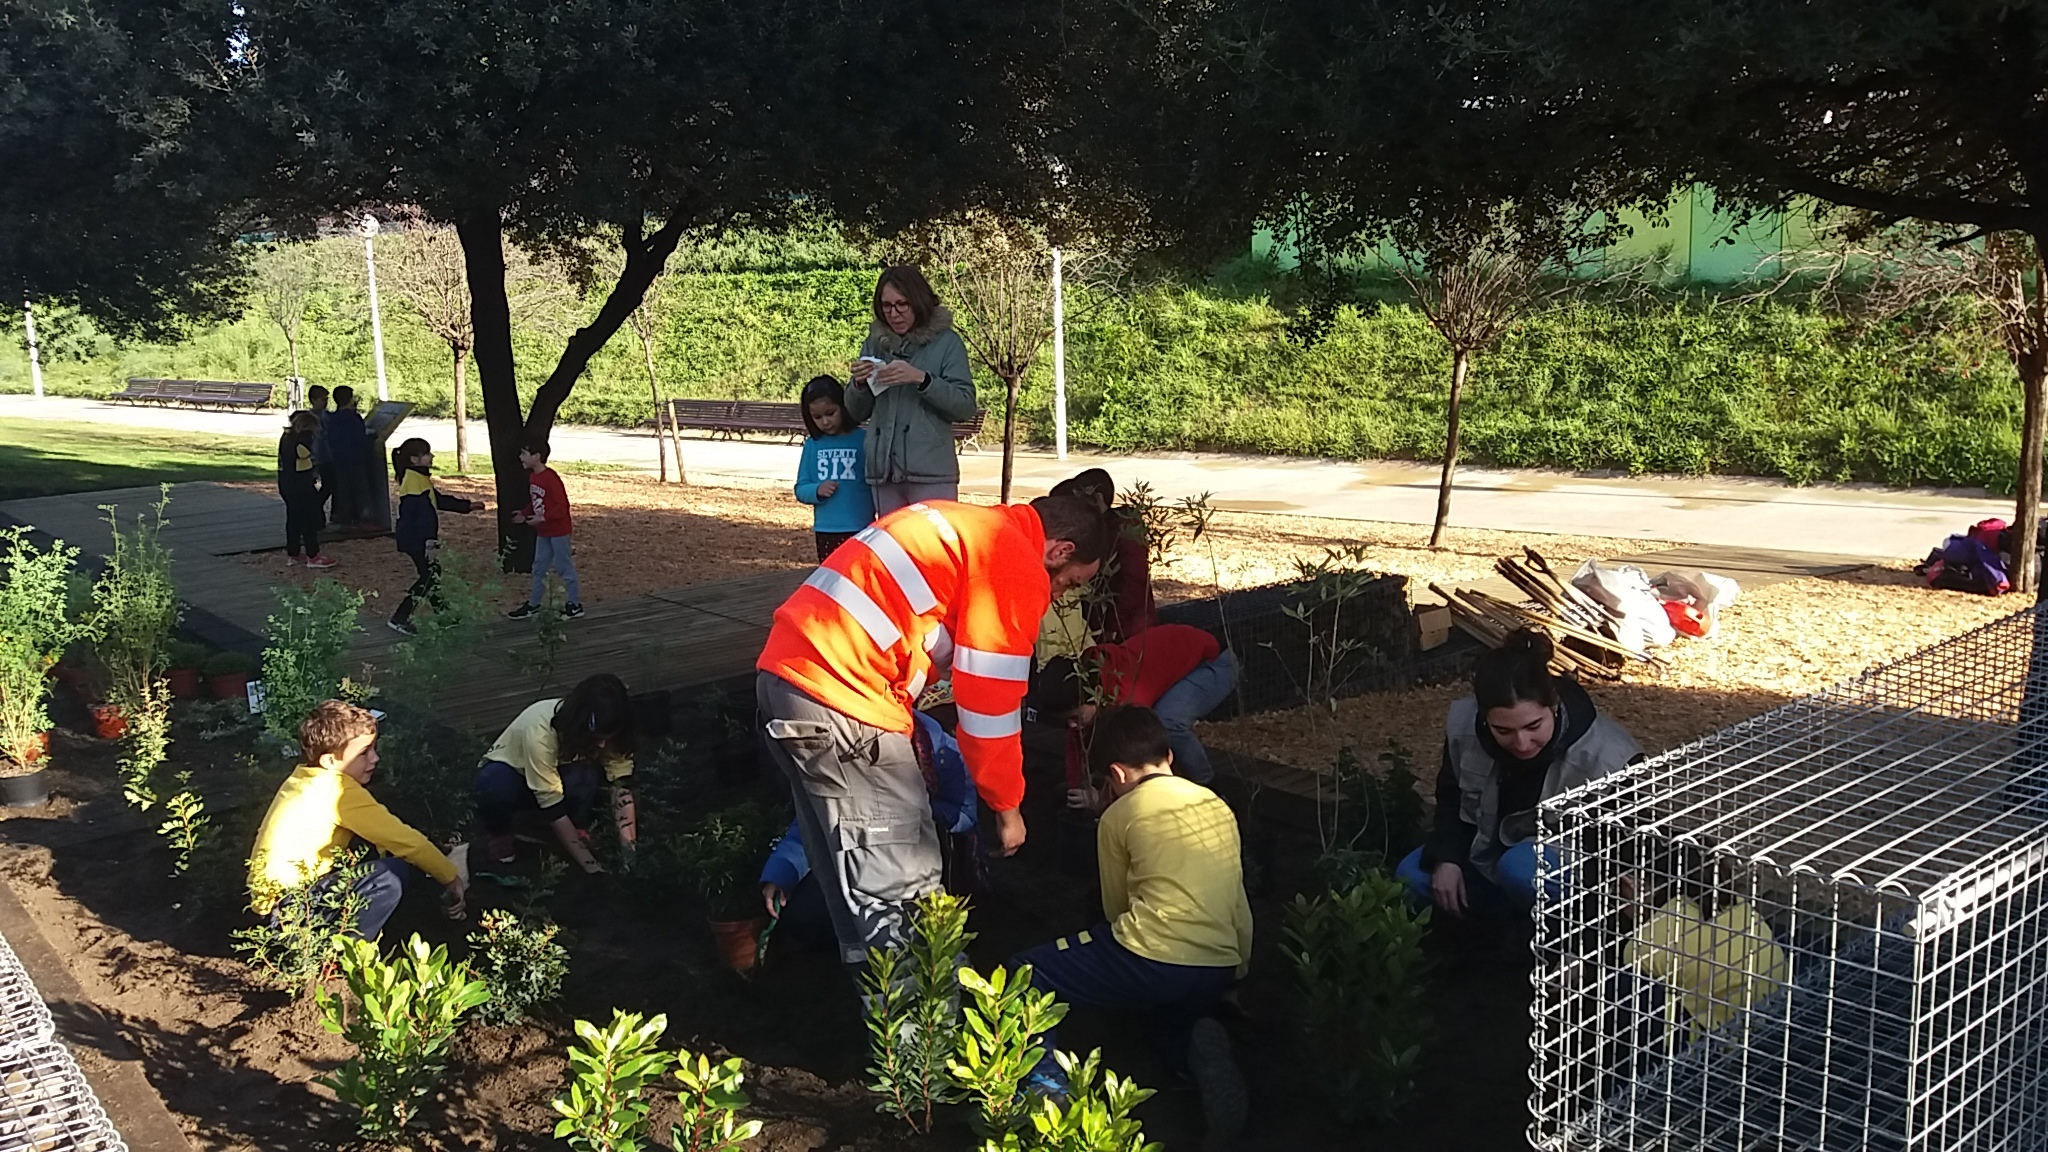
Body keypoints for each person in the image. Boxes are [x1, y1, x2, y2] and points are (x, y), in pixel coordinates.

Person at [755, 494, 1110, 966]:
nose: (1062, 594)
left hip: (788, 680)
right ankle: (928, 1031)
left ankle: (881, 1009)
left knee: (852, 878)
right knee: (905, 892)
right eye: (1071, 582)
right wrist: (1007, 808)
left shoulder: (963, 524)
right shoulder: (1011, 560)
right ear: (1060, 551)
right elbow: (990, 704)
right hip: (846, 697)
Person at [1009, 706, 1250, 1143]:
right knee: (1164, 1025)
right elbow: (1237, 900)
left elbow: (1116, 907)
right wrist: (1237, 972)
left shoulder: (1120, 816)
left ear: (1116, 774)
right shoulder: (1217, 805)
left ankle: (1047, 1092)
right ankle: (1189, 1054)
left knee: (1027, 974)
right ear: (1169, 757)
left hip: (1150, 959)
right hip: (1216, 964)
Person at [1397, 629, 1643, 915]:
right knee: (1411, 875)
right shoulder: (1464, 727)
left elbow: (1621, 845)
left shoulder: (1610, 754)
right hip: (1487, 849)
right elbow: (1450, 799)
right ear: (1483, 717)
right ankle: (1472, 938)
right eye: (1503, 731)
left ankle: (1550, 943)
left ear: (1553, 706)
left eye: (1533, 726)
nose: (1521, 743)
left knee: (1520, 868)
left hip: (1569, 868)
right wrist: (1446, 858)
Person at [246, 700, 466, 940]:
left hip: (270, 909)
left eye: (373, 749)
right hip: (291, 915)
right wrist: (451, 878)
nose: (375, 759)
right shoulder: (337, 791)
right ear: (330, 761)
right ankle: (342, 953)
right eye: (363, 753)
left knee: (378, 854)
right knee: (388, 877)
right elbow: (406, 841)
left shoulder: (303, 778)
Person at [758, 710, 979, 947]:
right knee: (804, 912)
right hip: (865, 843)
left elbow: (966, 815)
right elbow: (818, 821)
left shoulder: (946, 755)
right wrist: (782, 872)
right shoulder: (849, 757)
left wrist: (915, 813)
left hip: (923, 847)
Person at [1028, 622, 1239, 788]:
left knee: (1167, 721)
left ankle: (1206, 784)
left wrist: (1103, 799)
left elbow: (1139, 753)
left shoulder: (1127, 694)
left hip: (1214, 662)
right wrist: (1078, 786)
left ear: (1095, 698)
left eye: (1075, 718)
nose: (1072, 726)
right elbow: (1077, 741)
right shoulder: (1088, 686)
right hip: (1178, 663)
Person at [844, 265, 978, 515]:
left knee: (934, 550)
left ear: (918, 302)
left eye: (901, 304)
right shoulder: (874, 344)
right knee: (893, 550)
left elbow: (965, 405)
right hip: (883, 473)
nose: (893, 314)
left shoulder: (947, 343)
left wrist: (922, 379)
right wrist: (859, 385)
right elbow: (855, 412)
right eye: (886, 306)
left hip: (931, 473)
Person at [473, 674, 638, 874]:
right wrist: (591, 867)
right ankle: (500, 833)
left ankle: (576, 826)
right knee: (491, 786)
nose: (603, 744)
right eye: (598, 738)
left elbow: (621, 787)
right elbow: (553, 806)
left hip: (558, 775)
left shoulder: (611, 724)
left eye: (607, 738)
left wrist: (630, 855)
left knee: (585, 775)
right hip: (516, 776)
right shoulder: (540, 730)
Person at [387, 436, 485, 635]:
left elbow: (437, 499)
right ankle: (400, 617)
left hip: (414, 538)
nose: (431, 457)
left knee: (430, 575)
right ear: (414, 459)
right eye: (427, 454)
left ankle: (443, 614)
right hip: (416, 539)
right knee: (430, 576)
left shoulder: (418, 478)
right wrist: (429, 543)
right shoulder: (414, 482)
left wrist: (466, 506)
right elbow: (422, 517)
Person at [1050, 469, 1157, 643]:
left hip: (1126, 627)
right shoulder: (1097, 528)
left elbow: (1134, 580)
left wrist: (1112, 626)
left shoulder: (1123, 531)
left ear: (1097, 498)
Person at [794, 374, 875, 563]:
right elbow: (800, 488)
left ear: (843, 407)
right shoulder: (812, 445)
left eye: (830, 413)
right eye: (817, 417)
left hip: (861, 526)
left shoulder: (863, 440)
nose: (825, 422)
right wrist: (817, 490)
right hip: (826, 529)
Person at [507, 437, 583, 620]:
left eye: (524, 454)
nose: (520, 457)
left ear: (537, 456)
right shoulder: (533, 477)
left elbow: (561, 506)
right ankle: (534, 604)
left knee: (564, 566)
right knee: (539, 567)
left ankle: (575, 604)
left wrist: (543, 518)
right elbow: (537, 502)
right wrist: (525, 514)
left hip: (558, 530)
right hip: (544, 531)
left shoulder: (550, 478)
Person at [277, 409, 336, 570]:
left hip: (286, 484)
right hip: (300, 486)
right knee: (309, 520)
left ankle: (293, 552)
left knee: (294, 519)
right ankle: (313, 555)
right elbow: (305, 454)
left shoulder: (286, 437)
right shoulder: (302, 439)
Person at [324, 385, 370, 526]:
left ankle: (344, 516)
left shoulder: (332, 418)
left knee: (343, 488)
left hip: (338, 457)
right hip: (355, 457)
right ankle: (360, 516)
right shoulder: (354, 418)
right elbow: (360, 438)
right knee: (359, 487)